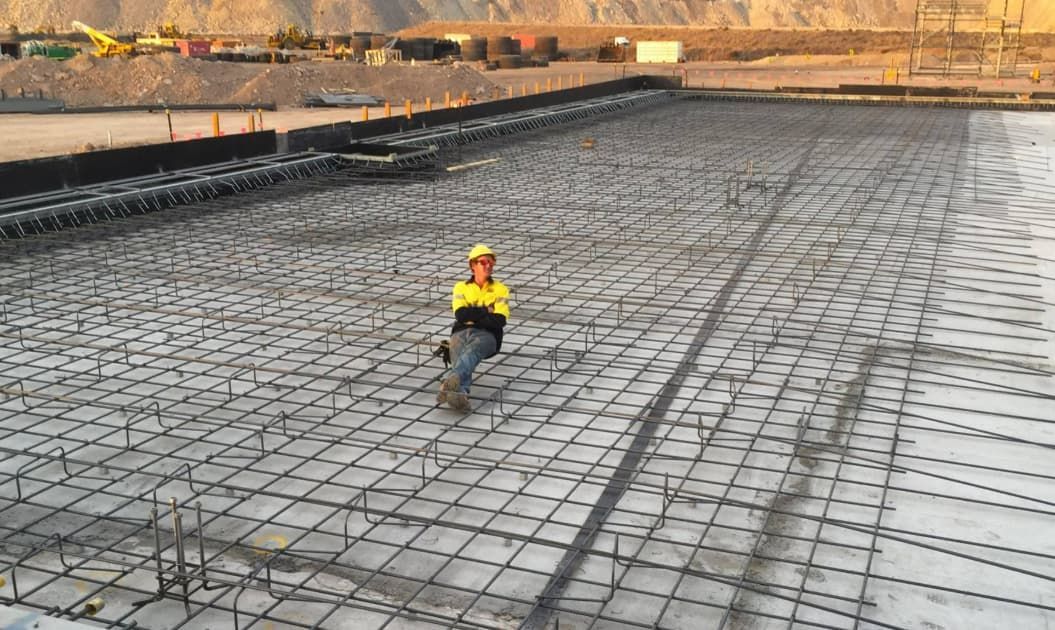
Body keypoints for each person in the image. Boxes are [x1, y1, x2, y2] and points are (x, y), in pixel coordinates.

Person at [437, 244, 510, 411]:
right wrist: (486, 310)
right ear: (472, 265)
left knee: (472, 349)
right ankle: (460, 393)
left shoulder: (501, 289)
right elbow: (461, 315)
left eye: (491, 262)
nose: (488, 265)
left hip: (488, 336)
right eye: (483, 262)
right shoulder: (461, 287)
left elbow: (499, 320)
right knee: (458, 350)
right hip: (461, 332)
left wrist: (473, 317)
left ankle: (450, 380)